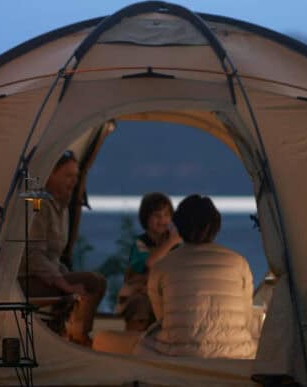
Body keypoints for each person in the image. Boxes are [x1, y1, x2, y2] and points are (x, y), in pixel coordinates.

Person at [135, 194, 257, 358]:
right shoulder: (239, 262)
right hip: (236, 354)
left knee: (141, 346)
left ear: (179, 226)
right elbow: (246, 316)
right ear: (216, 226)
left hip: (179, 352)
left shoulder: (161, 266)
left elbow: (162, 318)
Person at [19, 150, 106, 347]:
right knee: (94, 283)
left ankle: (60, 333)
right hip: (25, 279)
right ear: (50, 173)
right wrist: (64, 284)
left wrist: (65, 276)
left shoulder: (61, 207)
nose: (73, 181)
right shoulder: (37, 205)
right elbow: (34, 257)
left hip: (45, 276)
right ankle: (78, 337)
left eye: (76, 176)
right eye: (68, 175)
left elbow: (54, 258)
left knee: (91, 281)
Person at [116, 192, 180, 331]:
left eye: (166, 215)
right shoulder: (141, 243)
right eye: (157, 215)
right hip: (139, 290)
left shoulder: (174, 242)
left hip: (164, 289)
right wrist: (170, 242)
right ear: (146, 218)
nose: (162, 219)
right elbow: (150, 263)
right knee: (140, 306)